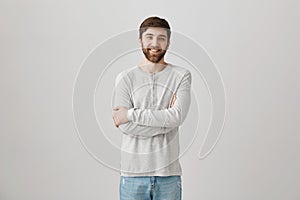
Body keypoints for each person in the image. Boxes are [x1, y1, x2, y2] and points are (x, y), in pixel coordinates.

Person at [112, 16, 192, 200]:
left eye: (161, 38)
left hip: (168, 174)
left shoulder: (181, 76)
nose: (155, 43)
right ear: (140, 40)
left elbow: (177, 117)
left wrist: (130, 114)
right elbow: (125, 126)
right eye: (149, 37)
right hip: (132, 174)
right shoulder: (124, 78)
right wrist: (165, 121)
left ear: (168, 42)